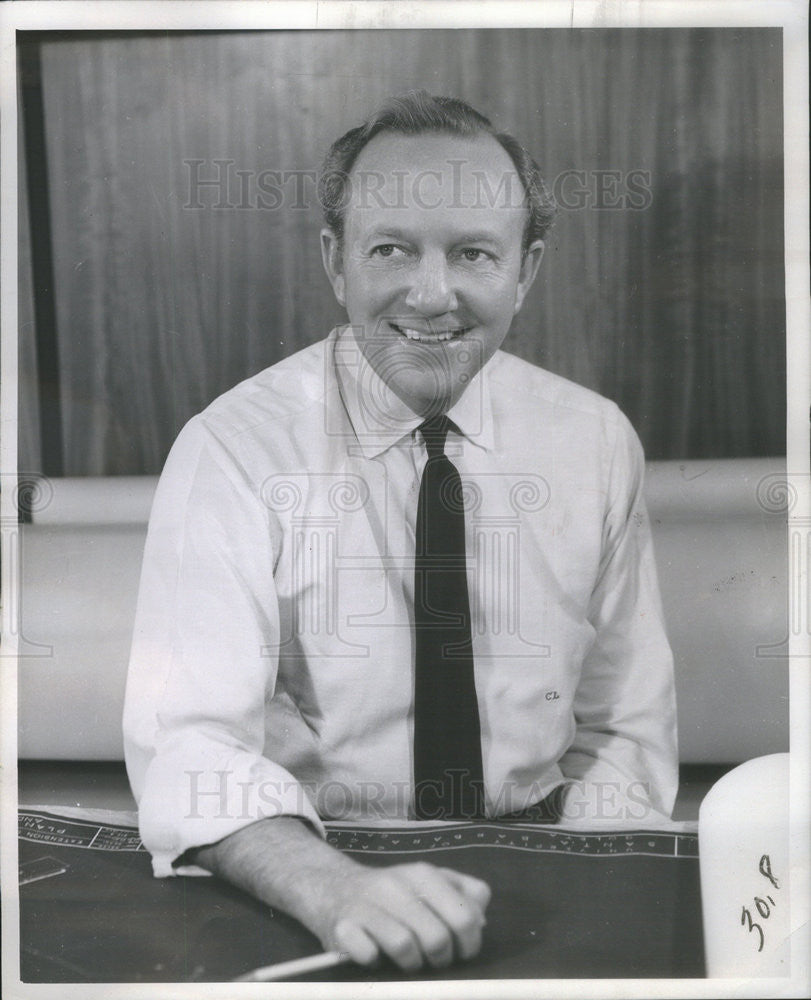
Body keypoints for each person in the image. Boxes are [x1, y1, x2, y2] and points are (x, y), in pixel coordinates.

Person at [123, 92, 678, 974]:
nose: (432, 295)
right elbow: (189, 743)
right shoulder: (231, 447)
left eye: (473, 253)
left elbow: (622, 729)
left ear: (525, 270)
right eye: (391, 249)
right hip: (310, 864)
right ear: (334, 262)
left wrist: (592, 884)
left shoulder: (596, 440)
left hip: (542, 862)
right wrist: (331, 887)